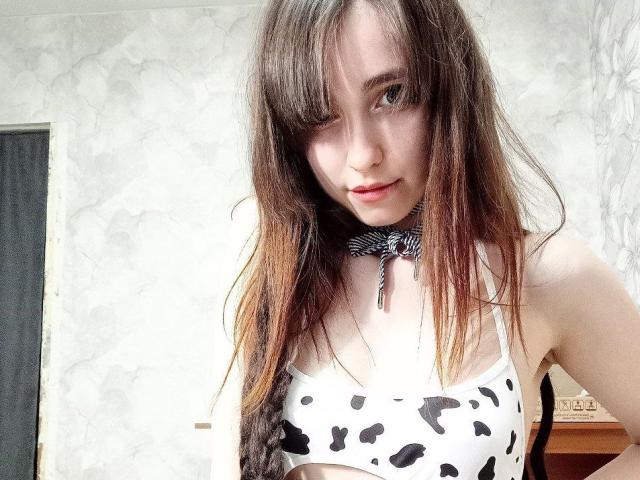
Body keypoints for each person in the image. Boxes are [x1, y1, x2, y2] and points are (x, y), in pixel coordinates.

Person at [210, 0, 640, 479]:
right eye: (319, 112)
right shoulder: (271, 257)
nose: (362, 155)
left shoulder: (542, 274)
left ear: (451, 88)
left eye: (392, 95)